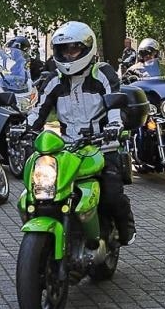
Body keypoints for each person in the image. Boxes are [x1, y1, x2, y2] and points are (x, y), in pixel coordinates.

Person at [27, 21, 135, 244]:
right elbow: (39, 111)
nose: (68, 55)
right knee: (43, 190)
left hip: (102, 145)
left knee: (112, 195)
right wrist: (23, 129)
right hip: (67, 148)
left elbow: (114, 103)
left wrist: (114, 126)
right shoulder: (53, 80)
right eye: (64, 50)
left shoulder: (102, 73)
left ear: (87, 48)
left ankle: (125, 228)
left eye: (74, 49)